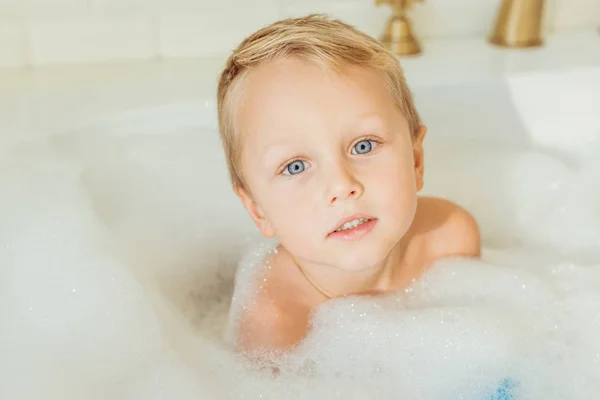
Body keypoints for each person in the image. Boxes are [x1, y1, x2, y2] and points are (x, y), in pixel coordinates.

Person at [217, 14, 481, 355]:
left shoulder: (449, 240)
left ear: (416, 160)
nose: (342, 185)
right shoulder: (275, 324)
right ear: (257, 210)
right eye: (295, 166)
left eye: (364, 145)